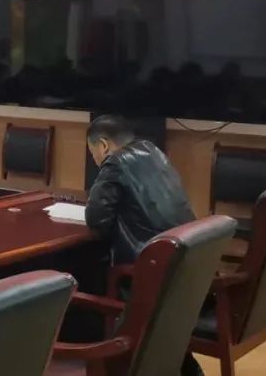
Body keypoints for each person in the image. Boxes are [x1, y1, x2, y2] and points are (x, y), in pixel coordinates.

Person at [84, 114, 202, 376]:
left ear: (103, 145)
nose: (94, 160)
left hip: (148, 272)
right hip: (182, 268)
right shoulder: (154, 152)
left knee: (88, 269)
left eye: (93, 153)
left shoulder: (115, 162)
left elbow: (96, 219)